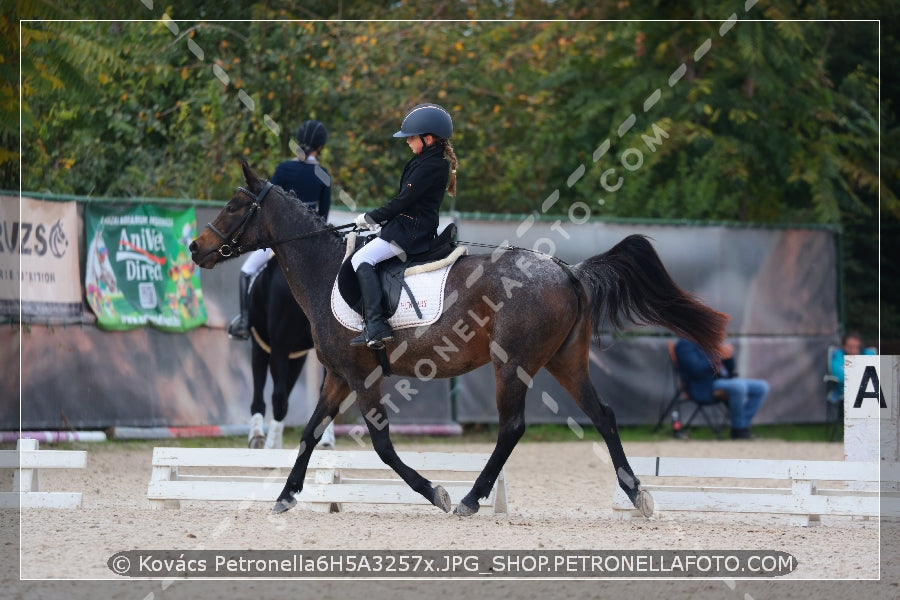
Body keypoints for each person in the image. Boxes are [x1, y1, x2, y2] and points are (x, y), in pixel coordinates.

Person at [350, 103, 458, 348]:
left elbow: (402, 201)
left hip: (410, 234)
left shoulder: (428, 166)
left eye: (411, 137)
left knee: (361, 260)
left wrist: (371, 217)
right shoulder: (428, 161)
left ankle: (376, 325)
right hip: (408, 226)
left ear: (427, 138)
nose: (408, 141)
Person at [227, 119, 331, 340]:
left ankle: (244, 322)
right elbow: (323, 217)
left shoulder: (284, 168)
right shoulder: (323, 175)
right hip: (308, 246)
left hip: (279, 242)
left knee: (246, 271)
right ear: (319, 147)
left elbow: (268, 205)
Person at [674, 338, 769, 440]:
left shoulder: (710, 341)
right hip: (703, 385)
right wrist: (718, 355)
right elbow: (696, 369)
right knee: (738, 386)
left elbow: (730, 369)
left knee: (761, 387)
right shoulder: (685, 344)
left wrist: (728, 355)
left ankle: (742, 426)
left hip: (724, 380)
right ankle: (739, 429)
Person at [829, 331, 876, 404]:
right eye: (850, 347)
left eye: (856, 347)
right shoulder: (838, 358)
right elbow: (841, 376)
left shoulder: (869, 355)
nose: (853, 350)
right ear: (843, 346)